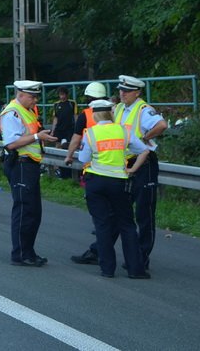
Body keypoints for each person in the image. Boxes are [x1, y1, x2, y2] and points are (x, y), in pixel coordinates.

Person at [75, 99, 151, 279]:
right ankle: (135, 269)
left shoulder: (91, 133)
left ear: (95, 115)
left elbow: (83, 158)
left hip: (96, 182)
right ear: (111, 113)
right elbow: (144, 151)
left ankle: (107, 269)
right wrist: (132, 169)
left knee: (102, 225)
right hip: (119, 183)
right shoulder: (124, 130)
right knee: (127, 225)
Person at [0, 80, 58, 266]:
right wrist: (36, 137)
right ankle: (20, 254)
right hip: (20, 164)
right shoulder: (12, 113)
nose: (36, 100)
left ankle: (29, 251)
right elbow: (11, 143)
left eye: (36, 96)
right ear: (20, 94)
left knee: (34, 212)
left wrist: (41, 138)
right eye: (32, 96)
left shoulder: (29, 110)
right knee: (24, 210)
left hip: (30, 165)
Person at [114, 75, 167, 272]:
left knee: (144, 212)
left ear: (137, 93)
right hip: (126, 161)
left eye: (126, 91)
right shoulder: (119, 108)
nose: (122, 94)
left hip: (145, 164)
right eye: (121, 90)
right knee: (122, 210)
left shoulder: (143, 109)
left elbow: (162, 125)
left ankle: (141, 258)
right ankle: (128, 255)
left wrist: (144, 138)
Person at [63, 81, 108, 194]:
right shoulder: (114, 111)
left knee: (95, 196)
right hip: (114, 161)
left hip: (93, 160)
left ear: (89, 98)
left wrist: (69, 156)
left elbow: (76, 138)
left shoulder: (86, 114)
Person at [51, 87, 76, 179]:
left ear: (66, 94)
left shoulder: (72, 103)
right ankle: (56, 168)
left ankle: (68, 165)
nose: (62, 96)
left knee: (68, 146)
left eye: (63, 94)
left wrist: (77, 129)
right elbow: (55, 118)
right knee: (58, 146)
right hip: (59, 129)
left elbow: (75, 115)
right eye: (60, 95)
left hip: (69, 129)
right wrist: (53, 130)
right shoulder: (56, 104)